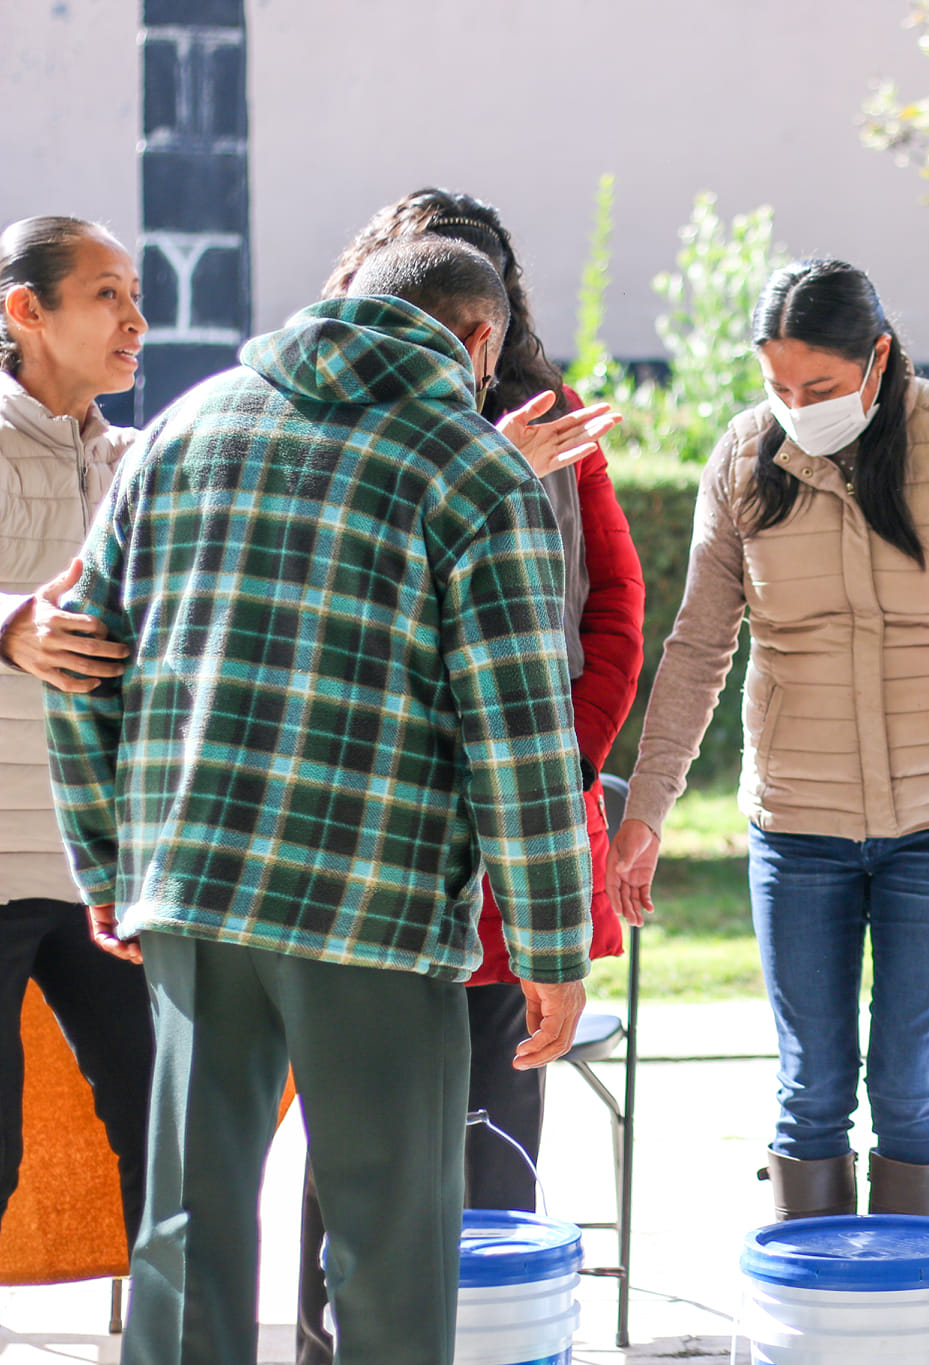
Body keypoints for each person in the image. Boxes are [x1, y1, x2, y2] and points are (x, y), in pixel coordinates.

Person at [46, 237, 591, 1365]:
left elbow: (77, 658)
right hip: (373, 912)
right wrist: (551, 946)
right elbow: (521, 739)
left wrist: (106, 867)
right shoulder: (473, 471)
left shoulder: (186, 427)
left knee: (186, 1227)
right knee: (388, 1239)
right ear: (477, 340)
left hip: (190, 890)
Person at [610, 258, 929, 1220]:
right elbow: (696, 647)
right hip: (798, 820)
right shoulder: (742, 458)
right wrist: (647, 810)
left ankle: (911, 1315)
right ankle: (817, 1319)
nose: (794, 406)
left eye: (818, 385)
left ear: (879, 356)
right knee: (809, 1088)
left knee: (909, 1086)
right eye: (776, 385)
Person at [291, 189, 643, 1364]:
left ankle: (493, 1339)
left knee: (494, 1134)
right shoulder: (312, 420)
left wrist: (558, 759)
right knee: (354, 1151)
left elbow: (612, 610)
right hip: (361, 853)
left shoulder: (553, 425)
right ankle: (327, 1341)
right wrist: (483, 469)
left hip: (503, 859)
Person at [0, 215, 152, 1245]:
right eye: (107, 294)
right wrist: (11, 622)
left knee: (176, 1143)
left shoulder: (147, 459)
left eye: (135, 295)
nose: (137, 320)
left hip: (108, 873)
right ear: (26, 312)